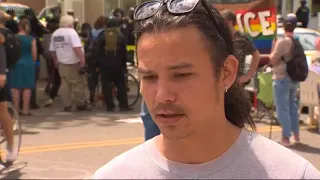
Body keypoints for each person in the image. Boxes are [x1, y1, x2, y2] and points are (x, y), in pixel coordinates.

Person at [93, 1, 320, 179]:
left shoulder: (292, 174)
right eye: (149, 77)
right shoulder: (114, 175)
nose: (162, 95)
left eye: (181, 75)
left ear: (227, 72)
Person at [270, 16, 301, 147]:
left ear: (284, 26)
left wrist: (273, 47)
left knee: (282, 108)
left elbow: (273, 59)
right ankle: (296, 135)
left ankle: (285, 138)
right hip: (293, 79)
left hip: (282, 78)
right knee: (292, 107)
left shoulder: (282, 42)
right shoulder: (296, 41)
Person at [50, 15, 91, 112]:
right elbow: (76, 48)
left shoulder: (56, 33)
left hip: (61, 63)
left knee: (64, 84)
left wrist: (55, 61)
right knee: (78, 84)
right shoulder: (72, 33)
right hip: (73, 62)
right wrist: (82, 60)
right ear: (70, 24)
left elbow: (52, 50)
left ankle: (67, 105)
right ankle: (80, 104)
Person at [92, 17, 131, 112]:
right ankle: (123, 105)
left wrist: (97, 64)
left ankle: (110, 106)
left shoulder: (102, 35)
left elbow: (96, 50)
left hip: (105, 64)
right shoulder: (120, 35)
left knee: (107, 85)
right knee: (121, 85)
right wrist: (124, 64)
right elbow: (124, 51)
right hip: (118, 64)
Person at [221, 10, 260, 85]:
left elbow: (256, 55)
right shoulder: (220, 37)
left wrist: (248, 76)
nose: (222, 24)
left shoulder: (242, 38)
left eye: (224, 21)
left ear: (231, 22)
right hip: (222, 81)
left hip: (236, 82)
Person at [9, 18, 38, 116]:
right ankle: (25, 109)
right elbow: (34, 54)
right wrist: (32, 61)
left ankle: (16, 109)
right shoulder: (31, 39)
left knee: (15, 87)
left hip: (16, 63)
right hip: (28, 63)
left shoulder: (14, 37)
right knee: (27, 87)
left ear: (19, 26)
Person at [0, 11, 17, 163]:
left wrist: (2, 75)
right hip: (4, 74)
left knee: (2, 108)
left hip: (1, 76)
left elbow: (1, 55)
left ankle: (11, 148)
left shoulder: (2, 34)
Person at [85, 16, 105, 104]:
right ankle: (104, 97)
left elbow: (86, 45)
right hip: (101, 58)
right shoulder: (104, 33)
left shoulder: (91, 32)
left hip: (91, 58)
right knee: (105, 79)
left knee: (92, 80)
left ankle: (91, 97)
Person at [43, 18, 60, 107]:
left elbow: (46, 49)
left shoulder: (46, 36)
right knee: (57, 78)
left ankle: (50, 93)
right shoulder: (55, 36)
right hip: (56, 59)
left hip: (51, 58)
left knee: (54, 77)